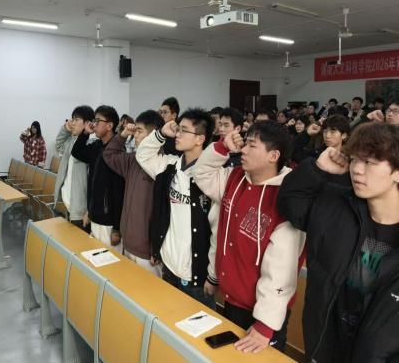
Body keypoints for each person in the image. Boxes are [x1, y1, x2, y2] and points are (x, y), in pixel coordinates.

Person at [278, 122, 399, 363]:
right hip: (325, 344)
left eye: (370, 162)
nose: (357, 170)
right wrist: (317, 169)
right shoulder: (337, 206)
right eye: (354, 160)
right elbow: (290, 203)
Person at [193, 121, 305, 353]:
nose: (243, 150)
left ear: (274, 156)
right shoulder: (234, 178)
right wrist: (223, 147)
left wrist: (265, 326)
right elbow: (201, 174)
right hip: (232, 299)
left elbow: (282, 270)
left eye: (252, 146)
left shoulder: (287, 198)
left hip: (263, 314)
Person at [136, 108, 216, 309]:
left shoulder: (213, 176)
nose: (178, 134)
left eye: (184, 130)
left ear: (199, 139)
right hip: (169, 266)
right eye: (178, 129)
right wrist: (161, 133)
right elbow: (143, 155)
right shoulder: (170, 166)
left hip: (196, 275)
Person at [103, 110, 165, 275]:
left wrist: (156, 248)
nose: (135, 135)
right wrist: (122, 135)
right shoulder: (133, 159)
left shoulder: (162, 165)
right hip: (128, 242)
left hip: (147, 251)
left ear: (153, 135)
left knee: (147, 291)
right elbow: (109, 155)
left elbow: (164, 214)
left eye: (139, 131)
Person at [72, 105, 125, 248]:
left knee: (109, 259)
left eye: (97, 121)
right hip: (95, 215)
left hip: (109, 221)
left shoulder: (117, 152)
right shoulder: (97, 146)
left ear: (109, 126)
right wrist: (85, 133)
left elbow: (119, 192)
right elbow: (77, 152)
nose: (93, 124)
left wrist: (117, 228)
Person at [53, 105, 94, 229]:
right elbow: (59, 145)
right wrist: (65, 128)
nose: (73, 123)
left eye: (76, 120)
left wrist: (89, 210)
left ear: (87, 123)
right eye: (72, 119)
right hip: (68, 202)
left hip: (80, 208)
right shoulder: (72, 140)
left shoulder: (91, 144)